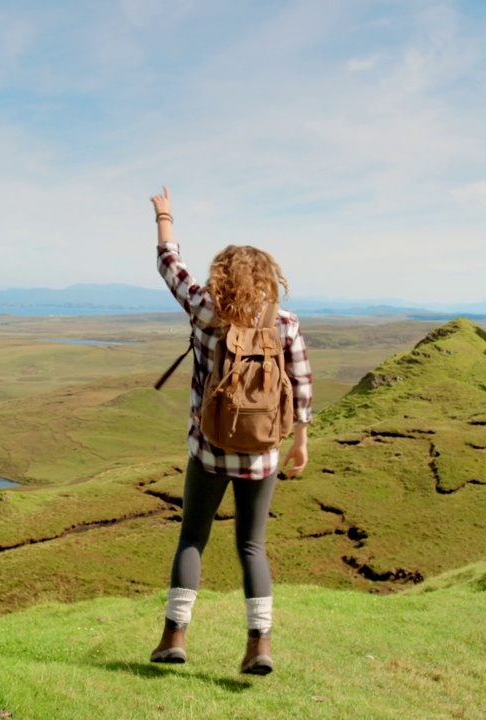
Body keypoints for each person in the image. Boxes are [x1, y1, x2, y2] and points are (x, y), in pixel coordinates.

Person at [146, 186, 313, 675]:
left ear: (222, 277)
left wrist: (166, 217)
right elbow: (300, 382)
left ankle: (174, 637)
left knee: (193, 538)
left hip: (209, 449)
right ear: (268, 278)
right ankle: (259, 646)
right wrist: (300, 440)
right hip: (263, 455)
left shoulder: (204, 309)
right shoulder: (285, 322)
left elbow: (167, 263)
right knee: (252, 545)